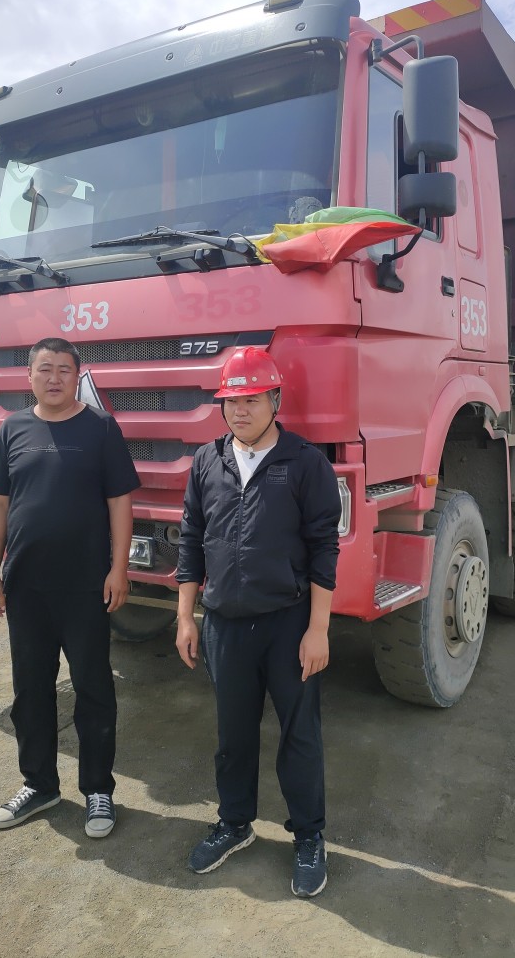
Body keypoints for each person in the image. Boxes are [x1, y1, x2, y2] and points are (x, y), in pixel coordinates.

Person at [175, 346, 341, 898]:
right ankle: (234, 822)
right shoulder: (208, 461)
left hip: (288, 624)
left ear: (275, 400)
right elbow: (191, 540)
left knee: (300, 736)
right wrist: (186, 616)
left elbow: (324, 550)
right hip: (224, 624)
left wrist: (318, 629)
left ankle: (309, 837)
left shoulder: (305, 463)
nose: (239, 410)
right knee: (233, 735)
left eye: (250, 399)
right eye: (231, 401)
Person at [0, 336, 140, 838]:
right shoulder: (12, 429)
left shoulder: (100, 427)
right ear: (29, 376)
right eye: (44, 368)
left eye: (64, 369)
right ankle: (39, 784)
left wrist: (118, 569)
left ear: (77, 376)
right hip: (26, 585)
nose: (54, 378)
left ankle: (98, 790)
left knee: (93, 687)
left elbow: (120, 502)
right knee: (30, 689)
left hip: (86, 585)